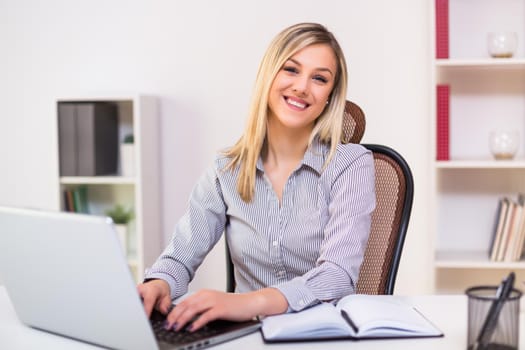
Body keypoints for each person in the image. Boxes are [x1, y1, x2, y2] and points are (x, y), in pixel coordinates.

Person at [137, 22, 376, 332]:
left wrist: (249, 302)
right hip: (245, 336)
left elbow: (338, 274)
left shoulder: (351, 165)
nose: (302, 87)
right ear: (269, 76)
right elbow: (181, 255)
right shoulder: (226, 170)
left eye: (319, 78)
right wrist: (159, 282)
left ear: (330, 95)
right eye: (291, 69)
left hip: (321, 334)